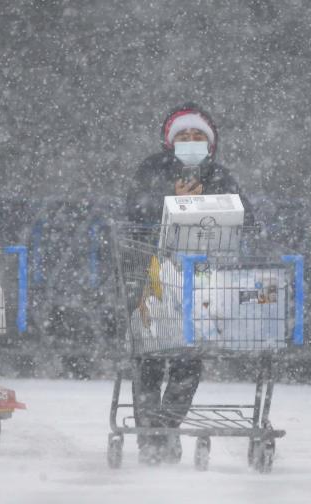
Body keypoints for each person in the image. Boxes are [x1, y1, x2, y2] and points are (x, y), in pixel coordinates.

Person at [125, 102, 254, 464]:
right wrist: (173, 205)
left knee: (188, 360)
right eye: (184, 135)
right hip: (153, 273)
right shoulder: (152, 171)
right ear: (170, 140)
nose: (192, 141)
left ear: (210, 142)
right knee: (149, 357)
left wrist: (208, 206)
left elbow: (248, 216)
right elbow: (133, 214)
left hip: (202, 279)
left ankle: (167, 427)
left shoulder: (221, 176)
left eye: (199, 135)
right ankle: (149, 435)